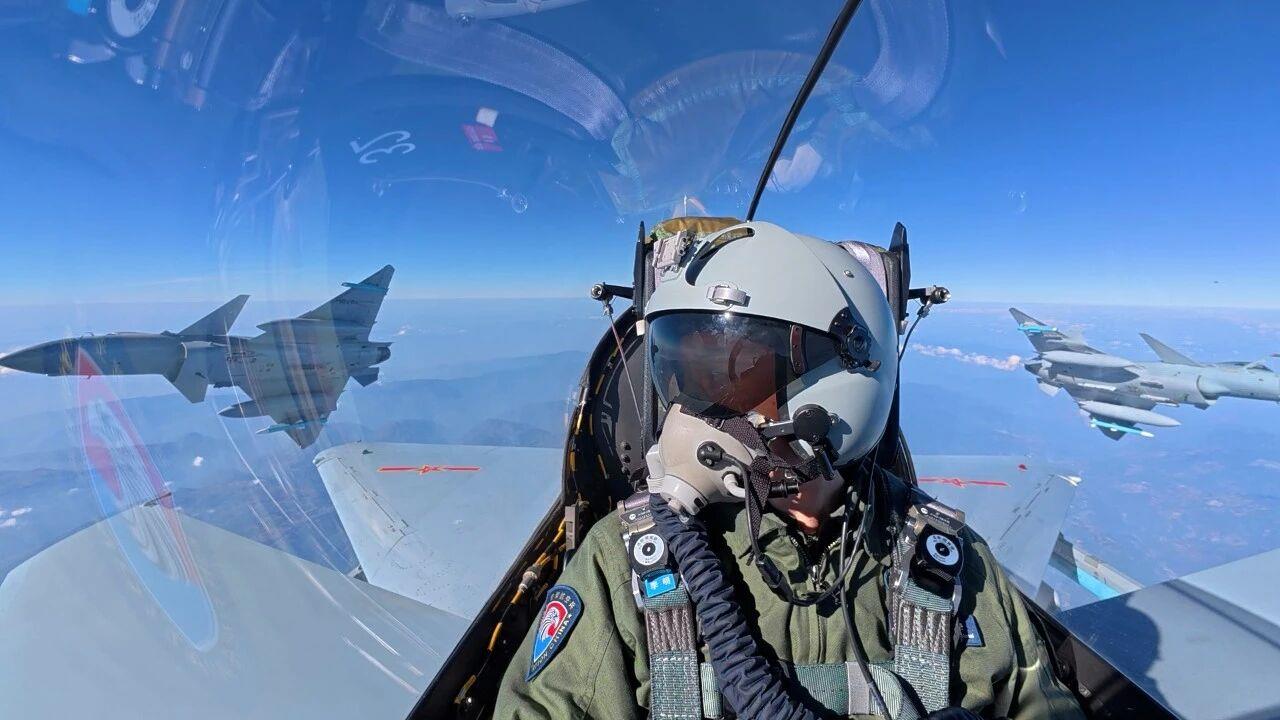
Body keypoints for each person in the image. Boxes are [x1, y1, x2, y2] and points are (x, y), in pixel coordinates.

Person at [494, 221, 1084, 719]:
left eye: (731, 378)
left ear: (841, 386)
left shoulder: (947, 566)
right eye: (685, 379)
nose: (690, 417)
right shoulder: (624, 565)